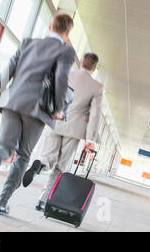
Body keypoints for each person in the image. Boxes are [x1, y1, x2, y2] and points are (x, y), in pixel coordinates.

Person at [0, 14, 76, 215]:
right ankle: (2, 202)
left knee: (4, 146)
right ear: (67, 33)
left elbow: (8, 71)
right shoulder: (65, 51)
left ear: (50, 26)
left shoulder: (28, 43)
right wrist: (58, 108)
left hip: (13, 102)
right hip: (37, 109)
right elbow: (60, 80)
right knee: (23, 155)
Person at [22, 53, 104, 212]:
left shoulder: (66, 75)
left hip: (55, 121)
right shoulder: (97, 87)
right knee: (60, 166)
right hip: (74, 129)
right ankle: (43, 201)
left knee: (48, 156)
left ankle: (40, 165)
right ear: (94, 68)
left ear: (81, 62)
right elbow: (95, 114)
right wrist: (90, 139)